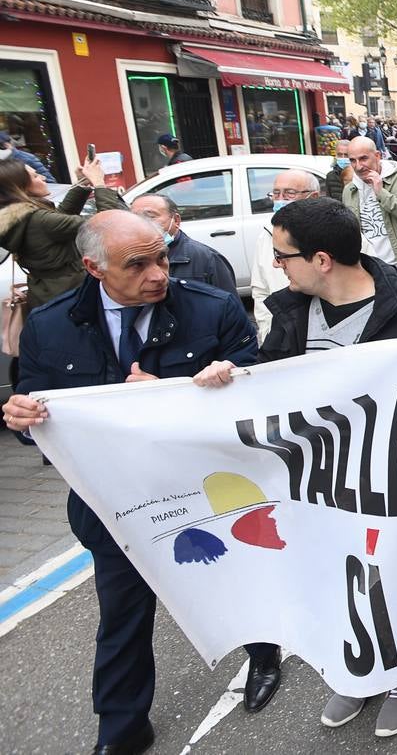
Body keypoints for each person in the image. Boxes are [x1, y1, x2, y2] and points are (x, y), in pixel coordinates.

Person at [2, 211, 280, 755]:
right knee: (122, 615)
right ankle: (122, 727)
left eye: (163, 257)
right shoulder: (50, 325)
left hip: (207, 492)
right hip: (114, 507)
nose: (159, 273)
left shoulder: (212, 307)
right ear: (92, 267)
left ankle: (264, 655)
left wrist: (184, 393)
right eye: (139, 264)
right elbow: (33, 411)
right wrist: (21, 419)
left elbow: (256, 392)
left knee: (234, 582)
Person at [197, 197, 397, 737]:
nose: (278, 266)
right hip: (319, 484)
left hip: (392, 479)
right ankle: (359, 667)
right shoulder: (291, 313)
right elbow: (270, 384)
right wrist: (231, 377)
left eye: (284, 256)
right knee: (338, 579)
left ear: (322, 259)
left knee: (396, 573)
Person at [0, 157, 122, 314]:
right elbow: (107, 223)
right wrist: (99, 183)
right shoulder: (39, 220)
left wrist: (82, 183)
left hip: (48, 292)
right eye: (36, 176)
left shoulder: (20, 217)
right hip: (71, 294)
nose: (43, 177)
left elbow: (60, 219)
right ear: (21, 187)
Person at [343, 136, 397, 288]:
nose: (358, 166)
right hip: (370, 270)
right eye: (352, 160)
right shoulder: (350, 190)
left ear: (377, 156)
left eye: (363, 158)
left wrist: (381, 193)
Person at [251, 169, 322, 338]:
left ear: (313, 197)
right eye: (276, 193)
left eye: (289, 193)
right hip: (284, 337)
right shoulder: (266, 235)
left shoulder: (333, 230)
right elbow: (261, 291)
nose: (281, 199)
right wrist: (268, 332)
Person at [130, 194, 236, 295]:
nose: (142, 223)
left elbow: (229, 307)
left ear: (176, 220)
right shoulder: (128, 259)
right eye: (135, 218)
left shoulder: (207, 258)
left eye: (150, 216)